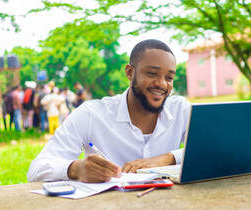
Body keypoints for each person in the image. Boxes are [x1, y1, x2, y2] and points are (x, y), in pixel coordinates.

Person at [28, 39, 190, 183]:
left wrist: (169, 158)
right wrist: (75, 168)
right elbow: (37, 168)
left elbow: (213, 150)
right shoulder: (91, 114)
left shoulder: (180, 109)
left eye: (169, 78)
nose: (162, 84)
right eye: (152, 73)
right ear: (130, 72)